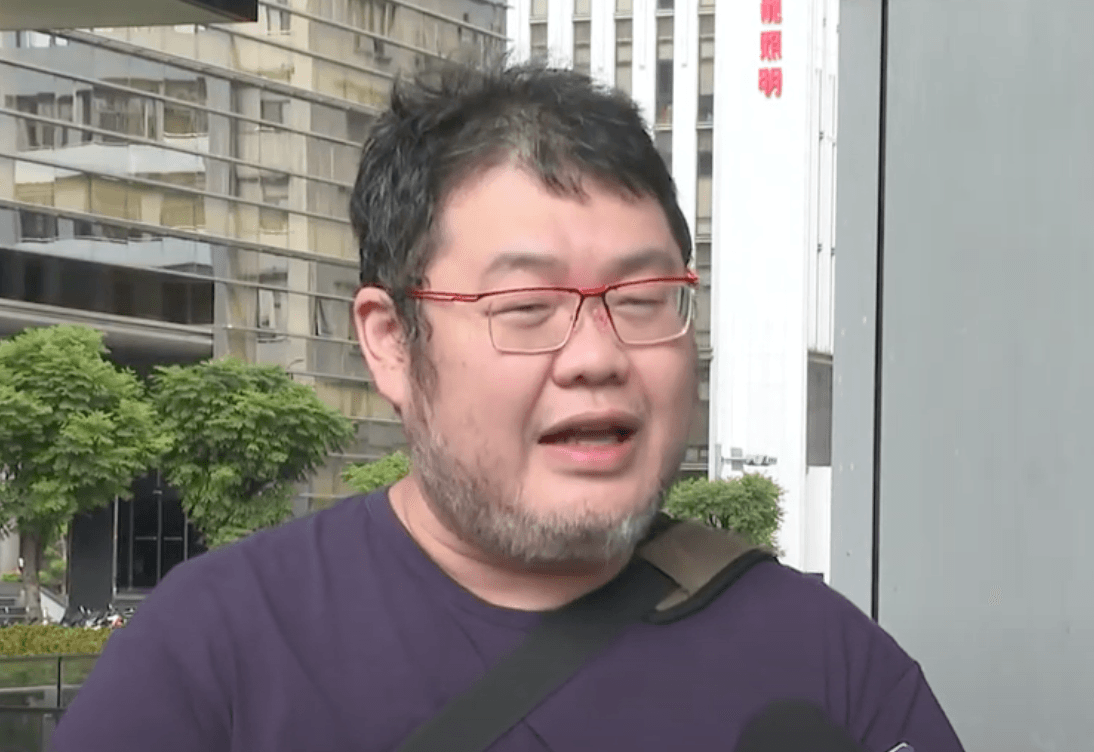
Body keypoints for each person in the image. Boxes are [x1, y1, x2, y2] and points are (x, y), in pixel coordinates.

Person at [52, 62, 965, 752]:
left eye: (644, 297)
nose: (598, 357)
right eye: (526, 307)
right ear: (391, 342)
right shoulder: (212, 657)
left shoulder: (828, 667)